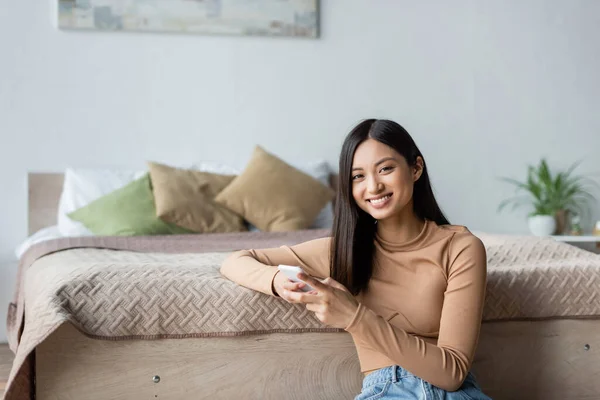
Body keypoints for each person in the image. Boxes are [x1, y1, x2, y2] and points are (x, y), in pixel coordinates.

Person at [220, 119, 492, 399]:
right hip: (386, 390)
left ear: (416, 168)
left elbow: (452, 373)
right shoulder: (342, 252)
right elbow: (236, 260)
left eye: (385, 169)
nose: (373, 186)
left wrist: (353, 315)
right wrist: (278, 280)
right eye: (358, 176)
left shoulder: (460, 248)